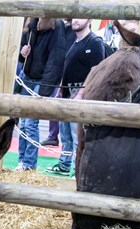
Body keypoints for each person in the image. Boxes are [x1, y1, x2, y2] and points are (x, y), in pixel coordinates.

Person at [46, 18, 107, 176]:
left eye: (80, 17)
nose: (75, 20)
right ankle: (65, 164)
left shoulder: (95, 42)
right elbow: (68, 67)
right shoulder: (75, 42)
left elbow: (95, 71)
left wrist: (81, 93)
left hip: (81, 93)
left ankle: (77, 168)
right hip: (67, 93)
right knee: (65, 134)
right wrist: (61, 88)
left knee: (76, 134)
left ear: (89, 20)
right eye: (74, 17)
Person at [14, 17, 66, 172]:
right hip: (28, 78)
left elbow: (55, 60)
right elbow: (21, 52)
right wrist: (22, 53)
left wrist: (44, 90)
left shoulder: (56, 26)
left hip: (41, 81)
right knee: (23, 123)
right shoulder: (31, 26)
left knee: (30, 124)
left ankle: (29, 165)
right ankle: (22, 161)